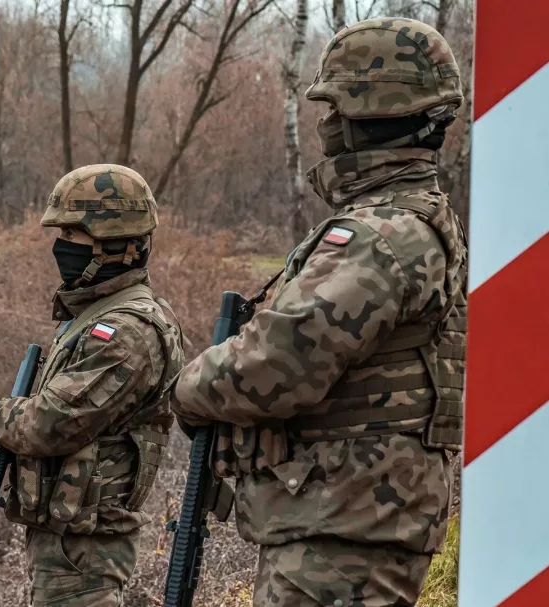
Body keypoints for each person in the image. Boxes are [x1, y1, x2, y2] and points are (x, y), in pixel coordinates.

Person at [169, 17, 468, 607]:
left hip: (346, 527)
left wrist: (186, 387)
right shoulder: (409, 217)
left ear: (371, 114)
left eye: (335, 107)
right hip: (346, 519)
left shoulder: (379, 234)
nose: (326, 123)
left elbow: (273, 366)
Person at [0, 164, 185, 606]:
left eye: (74, 236)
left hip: (86, 553)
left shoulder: (128, 331)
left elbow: (51, 423)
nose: (61, 247)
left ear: (114, 245)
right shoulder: (93, 316)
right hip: (66, 545)